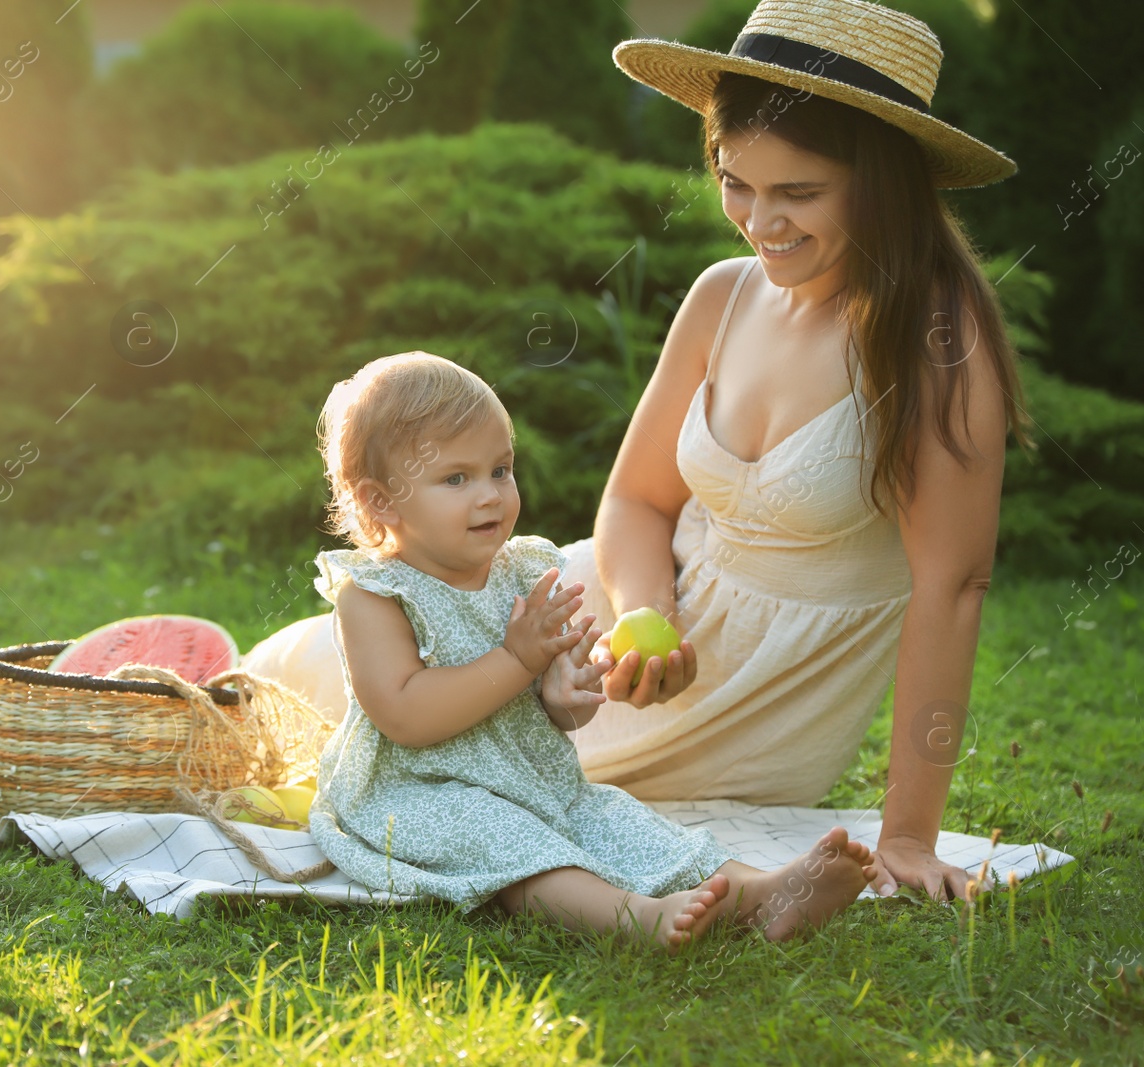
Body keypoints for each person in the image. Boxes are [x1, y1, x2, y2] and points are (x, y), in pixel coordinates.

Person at [246, 0, 1031, 906]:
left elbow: (953, 586)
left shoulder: (937, 339)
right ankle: (157, 686)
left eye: (799, 193)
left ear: (883, 183)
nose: (759, 221)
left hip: (769, 707)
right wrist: (644, 619)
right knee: (305, 689)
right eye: (738, 182)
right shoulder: (723, 297)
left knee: (493, 777)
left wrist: (907, 834)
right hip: (608, 638)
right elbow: (636, 503)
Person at [305, 352, 876, 951]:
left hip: (536, 782)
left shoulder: (522, 575)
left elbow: (561, 711)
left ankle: (759, 891)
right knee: (508, 839)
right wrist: (517, 659)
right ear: (381, 503)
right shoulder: (374, 596)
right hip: (419, 794)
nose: (490, 496)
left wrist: (569, 692)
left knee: (616, 818)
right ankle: (633, 917)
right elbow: (407, 716)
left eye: (501, 470)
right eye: (456, 478)